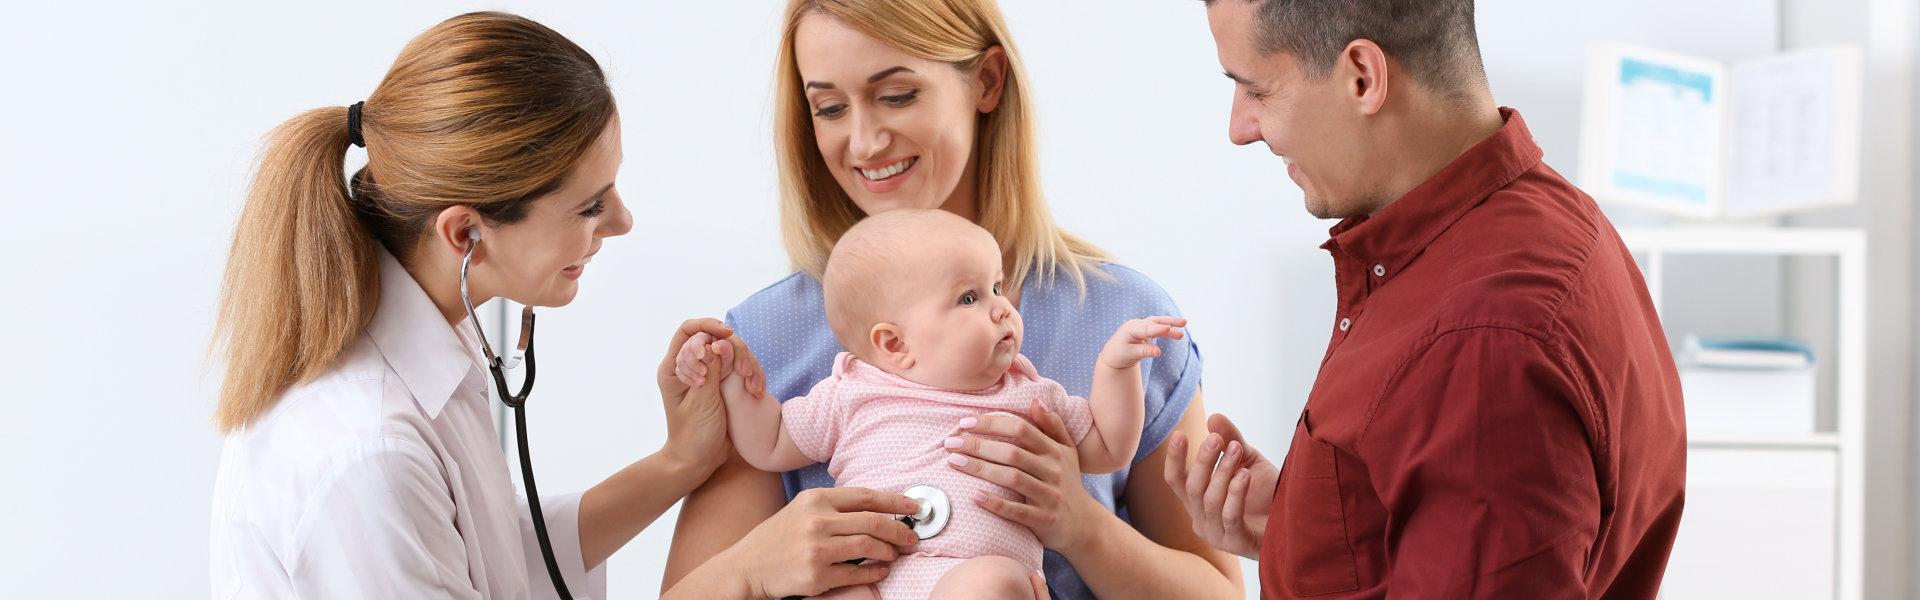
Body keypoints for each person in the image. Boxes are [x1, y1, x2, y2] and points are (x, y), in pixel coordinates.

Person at [208, 12, 925, 599]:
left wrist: (679, 462)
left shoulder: (419, 350)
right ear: (466, 233)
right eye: (589, 205)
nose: (620, 223)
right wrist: (746, 574)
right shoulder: (368, 451)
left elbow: (496, 553)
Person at [665, 1, 1245, 598]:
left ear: (986, 82)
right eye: (831, 108)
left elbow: (1221, 592)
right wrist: (754, 568)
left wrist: (1082, 527)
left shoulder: (1120, 319)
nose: (864, 142)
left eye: (896, 96)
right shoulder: (764, 341)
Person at [1167, 1, 1688, 598]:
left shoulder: (1477, 343)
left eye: (1256, 90)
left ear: (1363, 76)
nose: (1240, 128)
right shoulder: (1554, 221)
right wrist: (1308, 532)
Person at [675, 209, 1186, 598]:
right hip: (871, 576)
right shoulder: (853, 391)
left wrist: (1115, 372)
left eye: (996, 287)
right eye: (970, 298)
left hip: (972, 571)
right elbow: (770, 442)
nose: (1002, 308)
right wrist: (732, 378)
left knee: (993, 585)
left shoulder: (1029, 394)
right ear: (894, 344)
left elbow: (1108, 447)